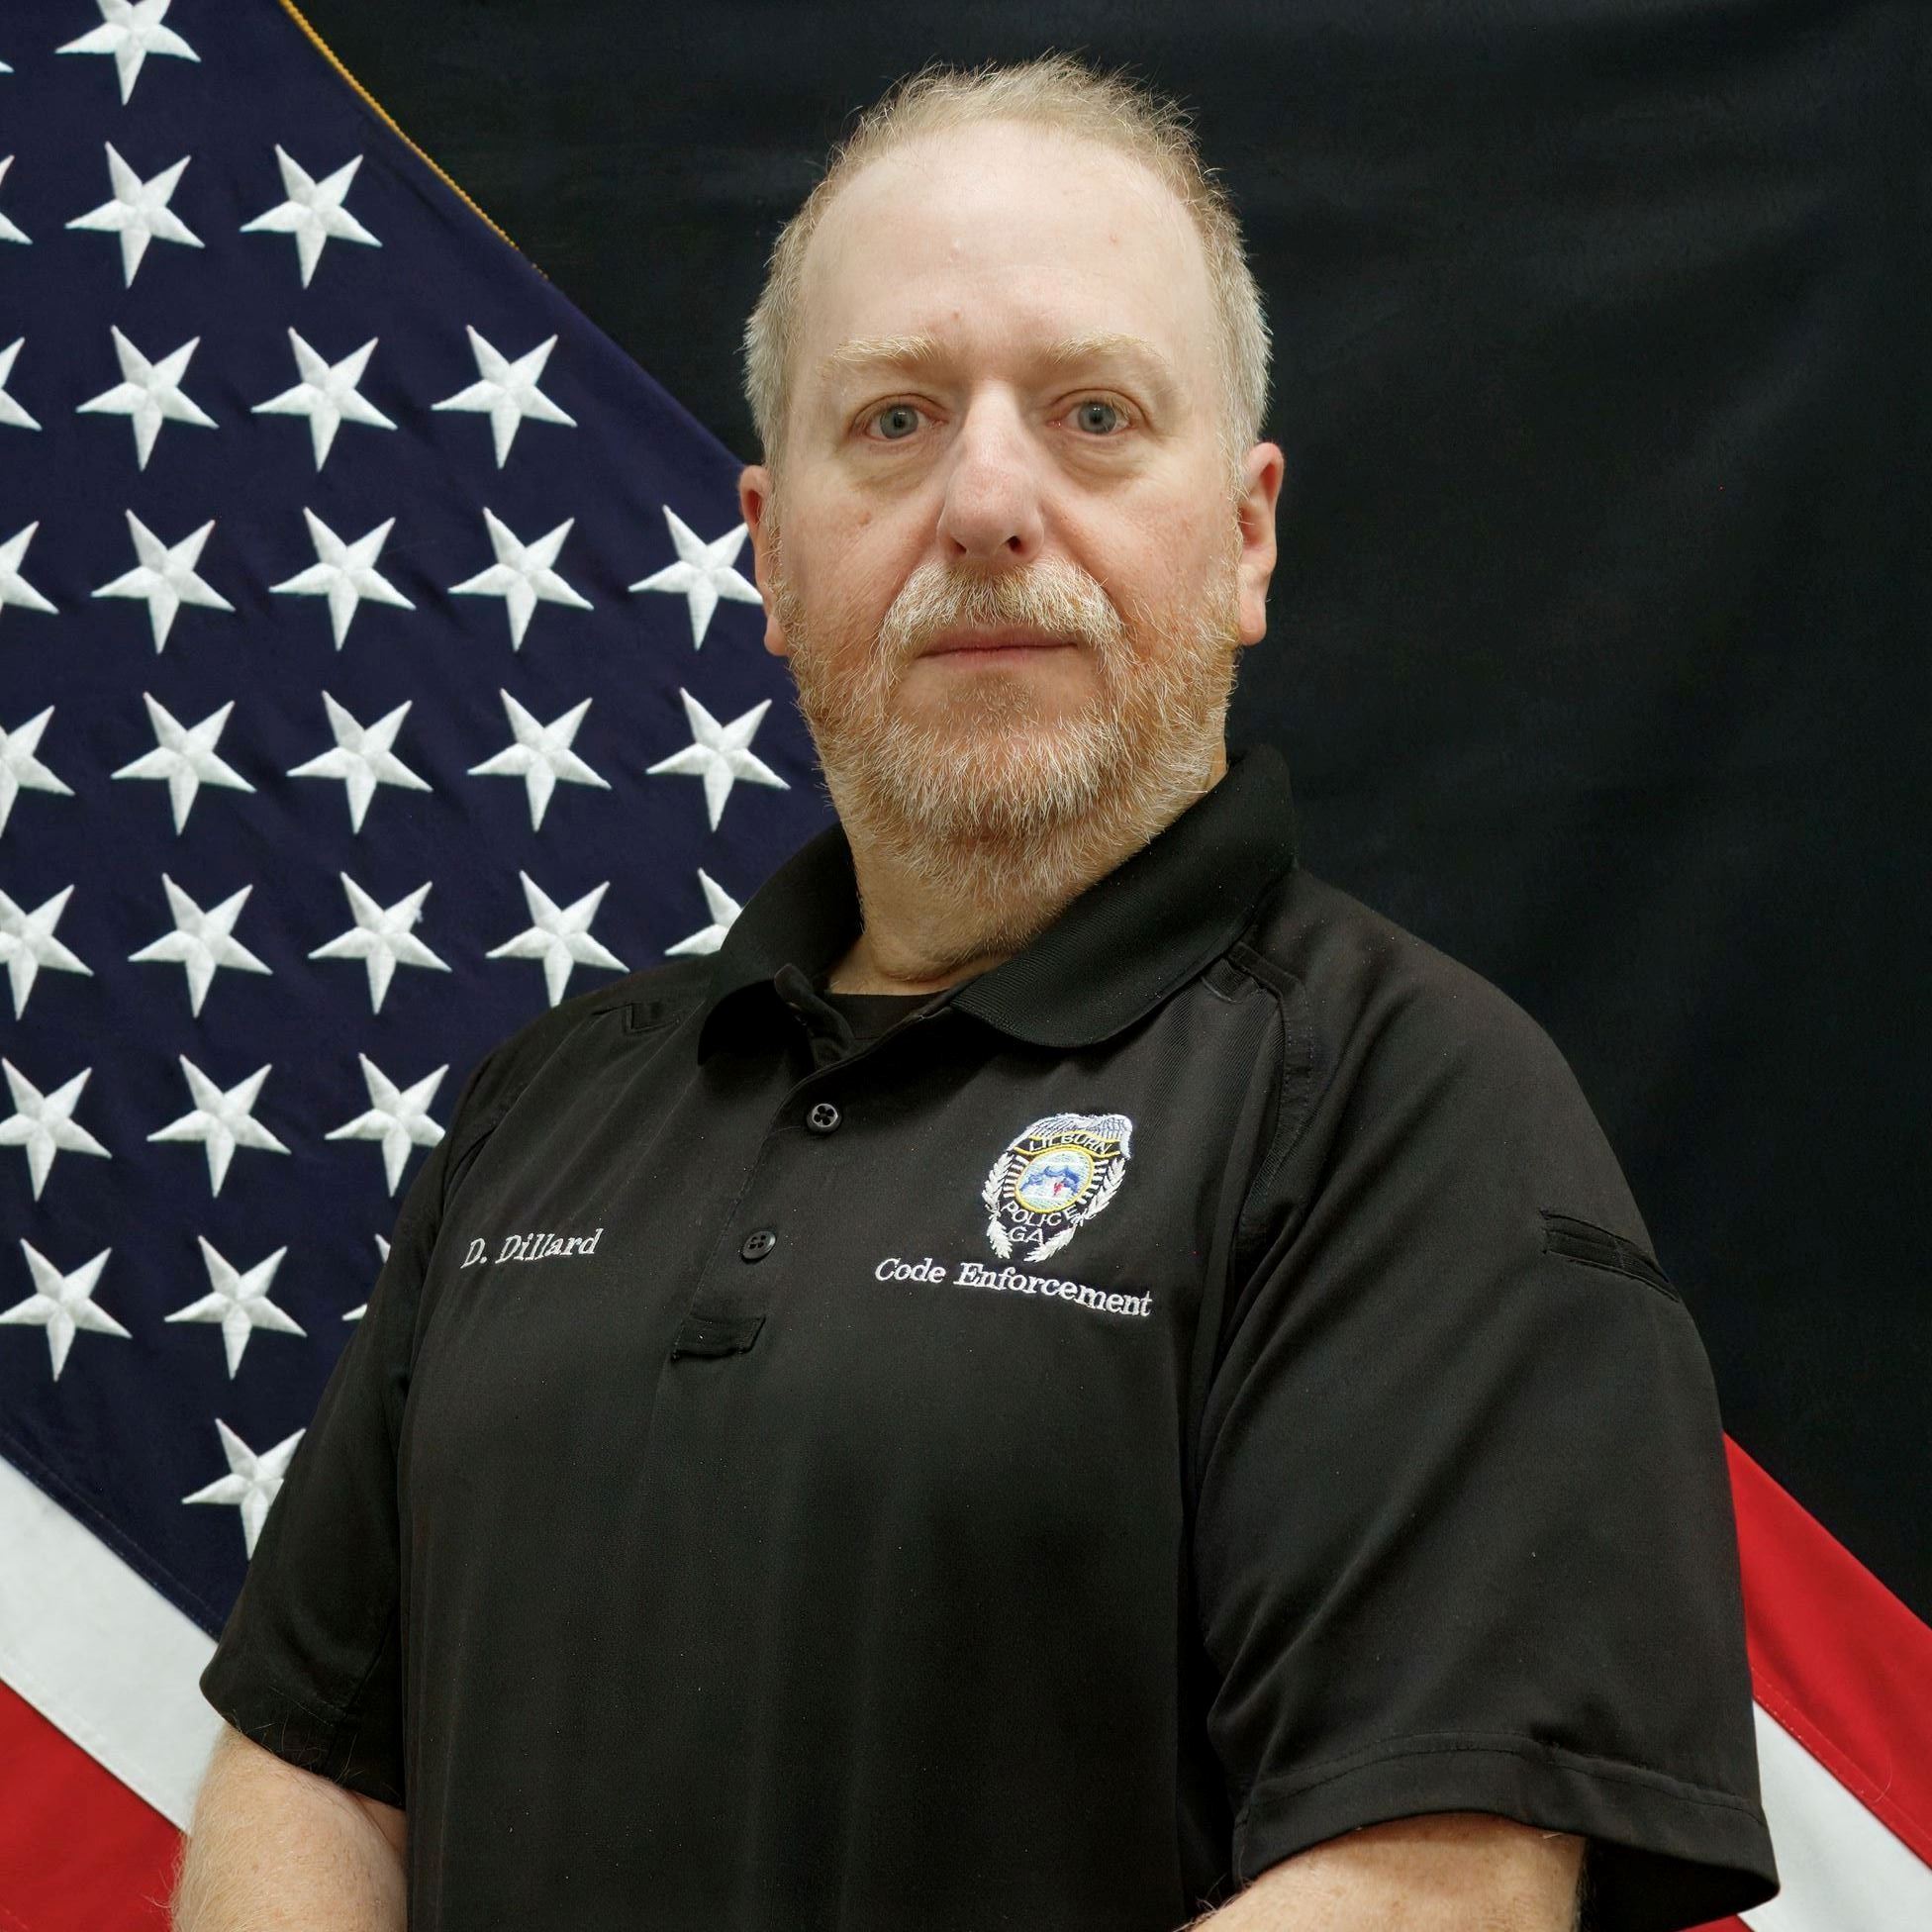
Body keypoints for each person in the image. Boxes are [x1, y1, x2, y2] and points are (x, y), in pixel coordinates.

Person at [173, 53, 1781, 1932]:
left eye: (1095, 415)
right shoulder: (550, 1104)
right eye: (897, 421)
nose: (989, 502)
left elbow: (1433, 1892)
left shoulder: (1407, 1114)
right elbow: (312, 1774)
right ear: (770, 552)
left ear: (1247, 533)